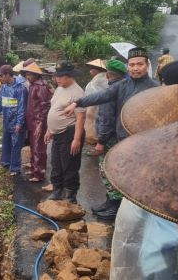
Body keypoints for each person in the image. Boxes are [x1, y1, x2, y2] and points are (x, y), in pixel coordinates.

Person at [62, 47, 159, 143]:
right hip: (122, 139)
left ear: (147, 65)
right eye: (132, 65)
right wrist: (77, 103)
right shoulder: (122, 85)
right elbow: (102, 95)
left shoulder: (156, 88)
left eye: (140, 64)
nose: (135, 68)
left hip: (145, 139)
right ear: (127, 66)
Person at [44, 62, 86, 203]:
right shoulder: (60, 89)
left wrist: (77, 139)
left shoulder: (78, 92)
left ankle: (70, 194)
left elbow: (81, 118)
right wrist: (49, 130)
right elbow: (54, 107)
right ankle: (57, 190)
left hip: (70, 132)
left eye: (60, 76)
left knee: (69, 165)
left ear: (69, 76)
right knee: (56, 163)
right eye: (56, 76)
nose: (57, 79)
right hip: (57, 133)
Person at [92, 60, 128, 220]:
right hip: (122, 137)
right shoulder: (127, 89)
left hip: (110, 139)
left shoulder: (111, 91)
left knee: (107, 170)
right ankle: (110, 201)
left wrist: (100, 141)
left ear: (107, 74)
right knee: (118, 170)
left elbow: (106, 119)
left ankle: (114, 205)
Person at [0, 65, 28, 176]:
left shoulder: (20, 87)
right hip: (7, 119)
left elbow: (22, 107)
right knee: (6, 142)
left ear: (8, 74)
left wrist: (19, 123)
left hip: (16, 121)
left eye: (1, 76)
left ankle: (15, 167)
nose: (0, 78)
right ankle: (6, 162)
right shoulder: (3, 87)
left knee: (16, 144)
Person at [22, 61, 52, 183]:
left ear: (36, 75)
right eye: (27, 74)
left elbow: (44, 106)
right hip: (32, 120)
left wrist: (40, 124)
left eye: (29, 74)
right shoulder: (33, 85)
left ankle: (39, 173)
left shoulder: (41, 87)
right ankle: (35, 169)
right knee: (33, 146)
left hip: (38, 122)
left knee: (39, 147)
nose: (27, 77)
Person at [83, 59, 108, 149]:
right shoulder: (106, 77)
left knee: (94, 126)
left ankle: (97, 144)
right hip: (104, 107)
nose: (90, 70)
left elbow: (89, 97)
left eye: (91, 68)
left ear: (96, 70)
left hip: (95, 107)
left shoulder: (95, 82)